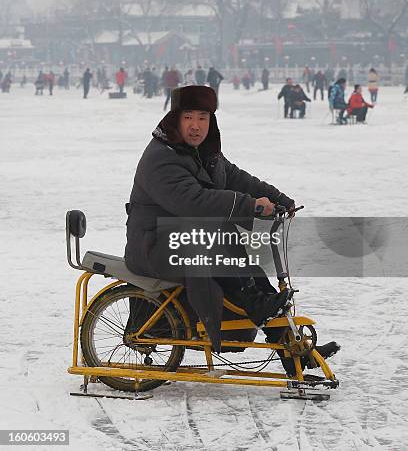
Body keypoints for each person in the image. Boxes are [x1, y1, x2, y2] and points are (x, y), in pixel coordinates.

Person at [124, 85, 339, 372]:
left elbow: (237, 178)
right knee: (229, 264)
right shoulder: (161, 157)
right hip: (153, 244)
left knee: (252, 275)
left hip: (184, 238)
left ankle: (292, 352)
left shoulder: (203, 152)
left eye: (203, 118)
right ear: (175, 119)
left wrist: (278, 199)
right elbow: (194, 201)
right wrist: (251, 206)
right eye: (189, 117)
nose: (196, 126)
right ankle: (257, 308)